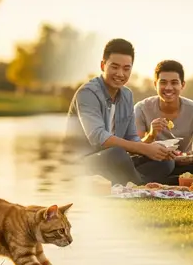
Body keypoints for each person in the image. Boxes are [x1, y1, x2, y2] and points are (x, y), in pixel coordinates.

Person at [65, 38, 174, 186]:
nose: (120, 74)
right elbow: (99, 138)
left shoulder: (127, 95)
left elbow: (133, 140)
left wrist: (154, 145)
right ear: (103, 65)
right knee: (116, 154)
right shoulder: (87, 93)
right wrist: (144, 148)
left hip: (115, 162)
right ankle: (140, 184)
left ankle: (134, 183)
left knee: (165, 162)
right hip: (83, 163)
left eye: (126, 68)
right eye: (114, 67)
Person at [134, 60, 193, 181]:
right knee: (166, 164)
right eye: (163, 83)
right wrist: (151, 134)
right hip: (152, 163)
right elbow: (135, 148)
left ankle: (170, 181)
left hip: (183, 164)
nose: (168, 88)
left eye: (174, 83)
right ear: (155, 84)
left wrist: (192, 158)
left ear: (182, 85)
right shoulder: (142, 108)